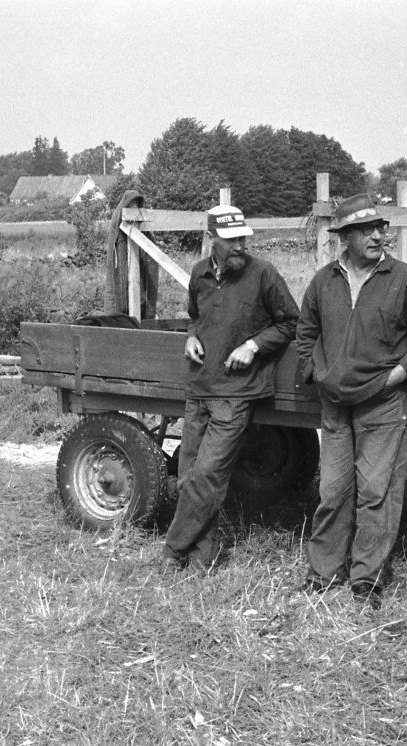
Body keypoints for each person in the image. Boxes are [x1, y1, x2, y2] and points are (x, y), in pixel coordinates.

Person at [297, 193, 407, 607]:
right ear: (344, 237)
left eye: (380, 228)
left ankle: (366, 579)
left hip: (383, 405)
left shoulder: (405, 280)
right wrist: (318, 373)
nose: (379, 235)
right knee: (332, 490)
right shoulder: (324, 281)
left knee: (376, 492)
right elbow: (305, 332)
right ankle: (324, 572)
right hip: (335, 406)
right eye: (367, 230)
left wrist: (391, 380)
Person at [161, 204, 299, 572]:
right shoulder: (199, 275)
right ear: (211, 240)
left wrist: (253, 346)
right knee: (190, 476)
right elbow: (195, 317)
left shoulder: (263, 275)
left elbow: (291, 323)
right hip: (200, 387)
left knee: (208, 475)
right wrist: (190, 337)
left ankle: (173, 549)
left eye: (243, 238)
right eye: (231, 239)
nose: (239, 245)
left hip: (236, 394)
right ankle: (202, 557)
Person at [105, 189, 159, 319]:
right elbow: (111, 271)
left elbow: (152, 270)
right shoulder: (116, 233)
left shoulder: (145, 233)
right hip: (120, 297)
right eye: (130, 207)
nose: (133, 210)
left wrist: (151, 309)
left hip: (139, 298)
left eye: (136, 207)